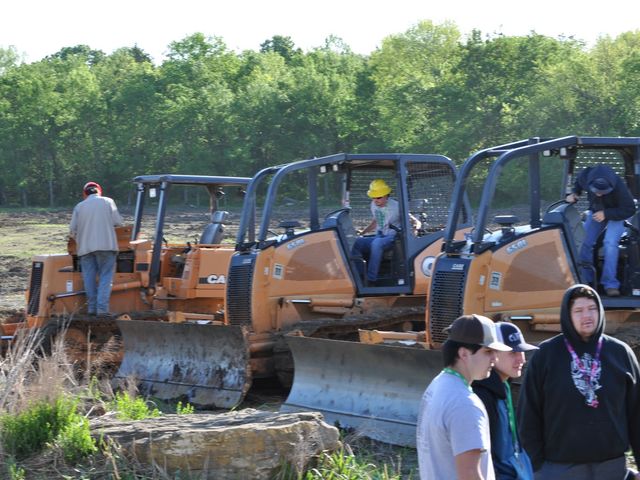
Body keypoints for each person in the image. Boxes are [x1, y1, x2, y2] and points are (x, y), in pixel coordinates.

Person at [517, 284, 640, 479]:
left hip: (611, 467)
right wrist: (536, 466)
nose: (587, 316)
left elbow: (636, 413)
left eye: (592, 309)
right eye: (579, 310)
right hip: (559, 468)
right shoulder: (547, 355)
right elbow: (528, 414)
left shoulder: (620, 353)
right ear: (568, 315)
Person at [417, 314, 512, 480]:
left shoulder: (438, 384)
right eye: (488, 351)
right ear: (464, 354)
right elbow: (470, 474)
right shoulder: (465, 404)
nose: (494, 358)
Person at [473, 322, 538, 480]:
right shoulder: (482, 396)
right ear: (493, 353)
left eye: (521, 351)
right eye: (513, 352)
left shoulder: (504, 385)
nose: (521, 359)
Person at [566, 164, 636, 296]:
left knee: (610, 243)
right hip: (596, 211)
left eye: (603, 192)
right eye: (596, 191)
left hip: (617, 213)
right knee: (583, 241)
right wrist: (575, 193)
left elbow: (629, 209)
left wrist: (606, 214)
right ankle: (586, 280)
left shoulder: (619, 187)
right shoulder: (585, 176)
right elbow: (578, 183)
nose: (599, 194)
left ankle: (610, 284)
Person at [69, 181, 123, 316]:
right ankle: (102, 310)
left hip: (85, 249)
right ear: (99, 191)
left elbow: (72, 230)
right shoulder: (108, 201)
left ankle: (92, 309)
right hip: (106, 247)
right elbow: (118, 222)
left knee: (89, 278)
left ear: (84, 194)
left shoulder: (79, 207)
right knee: (105, 277)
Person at [351, 179, 419, 283]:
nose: (375, 200)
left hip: (392, 238)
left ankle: (370, 279)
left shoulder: (397, 206)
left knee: (376, 243)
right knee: (356, 242)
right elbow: (375, 222)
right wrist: (362, 233)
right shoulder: (373, 205)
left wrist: (416, 227)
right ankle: (360, 274)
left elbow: (414, 221)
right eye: (373, 197)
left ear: (386, 196)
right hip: (379, 235)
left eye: (378, 197)